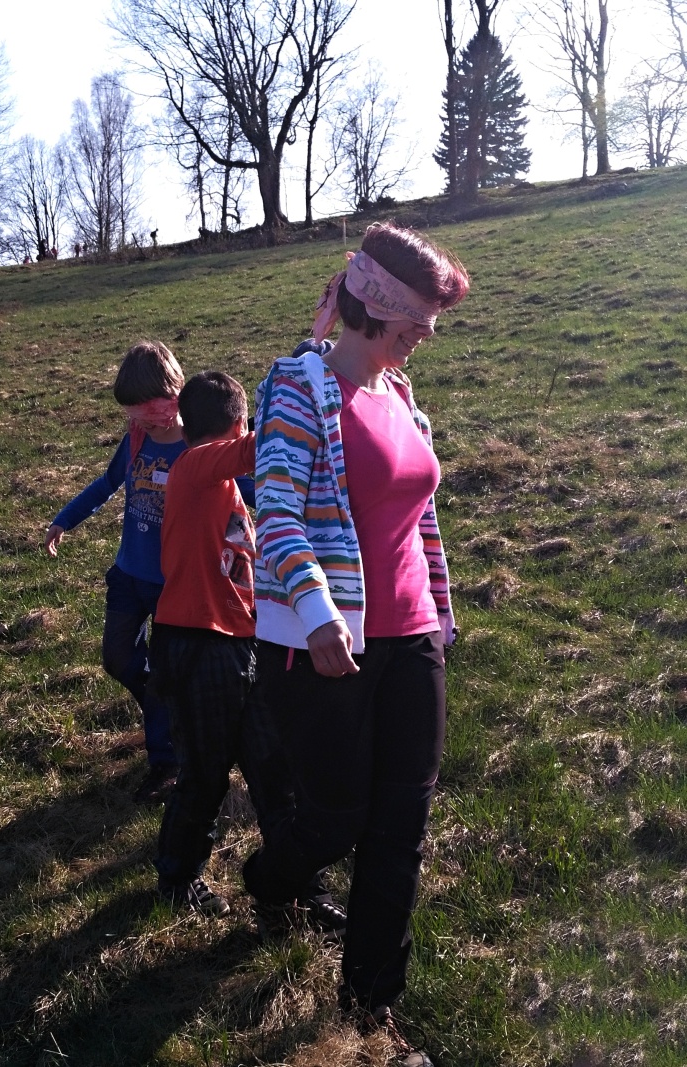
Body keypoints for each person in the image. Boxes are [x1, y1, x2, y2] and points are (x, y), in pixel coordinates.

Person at [242, 223, 469, 1067]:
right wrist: (317, 610)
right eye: (418, 317)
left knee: (400, 827)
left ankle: (371, 1011)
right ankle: (272, 880)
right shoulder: (299, 388)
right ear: (374, 304)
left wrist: (440, 614)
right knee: (338, 817)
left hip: (411, 641)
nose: (427, 334)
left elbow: (422, 522)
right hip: (324, 646)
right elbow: (277, 510)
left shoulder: (403, 397)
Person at [151, 371, 345, 935]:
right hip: (196, 643)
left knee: (274, 769)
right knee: (205, 775)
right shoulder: (191, 469)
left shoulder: (224, 488)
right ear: (236, 424)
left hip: (241, 645)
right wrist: (312, 382)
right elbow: (264, 445)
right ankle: (177, 878)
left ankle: (295, 888)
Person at [44, 341, 186, 803]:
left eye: (148, 412)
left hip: (174, 585)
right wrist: (65, 519)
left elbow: (246, 489)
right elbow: (108, 483)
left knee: (163, 673)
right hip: (128, 576)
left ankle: (166, 762)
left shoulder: (201, 444)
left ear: (174, 395)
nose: (141, 421)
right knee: (118, 659)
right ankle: (167, 710)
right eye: (133, 414)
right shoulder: (137, 439)